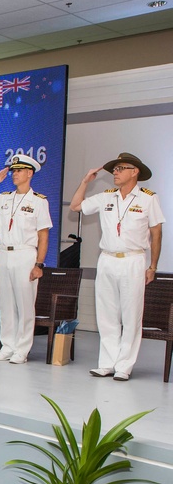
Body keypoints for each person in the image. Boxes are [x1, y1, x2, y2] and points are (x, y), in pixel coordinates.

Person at [70, 152, 164, 381]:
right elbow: (75, 206)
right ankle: (107, 363)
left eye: (121, 168)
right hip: (107, 259)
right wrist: (85, 181)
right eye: (115, 169)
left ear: (135, 172)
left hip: (133, 260)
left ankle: (124, 365)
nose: (115, 172)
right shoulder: (106, 196)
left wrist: (152, 266)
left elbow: (156, 233)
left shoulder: (148, 198)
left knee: (131, 315)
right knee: (106, 313)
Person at [0, 155, 52, 364]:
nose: (14, 174)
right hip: (4, 253)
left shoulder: (39, 201)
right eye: (13, 171)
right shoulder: (3, 197)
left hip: (25, 253)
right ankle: (7, 346)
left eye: (19, 171)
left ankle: (22, 349)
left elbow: (43, 235)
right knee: (5, 303)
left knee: (24, 304)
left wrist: (39, 264)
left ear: (29, 173)